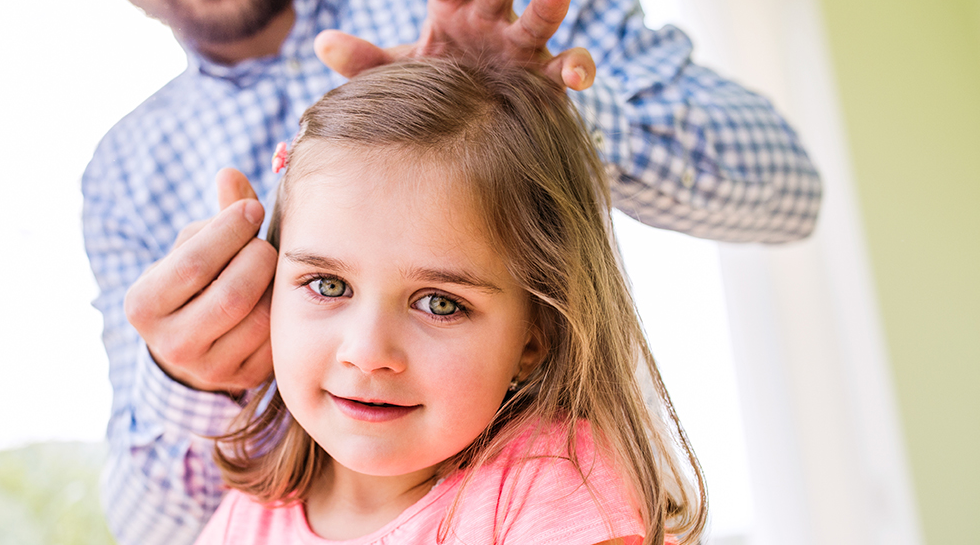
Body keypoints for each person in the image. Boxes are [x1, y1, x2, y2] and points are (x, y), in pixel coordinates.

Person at [26, 0, 822, 542]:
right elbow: (152, 533)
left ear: (534, 330)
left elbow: (788, 187)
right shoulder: (123, 176)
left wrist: (538, 124)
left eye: (439, 300)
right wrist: (187, 387)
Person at [197, 57, 704, 545]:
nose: (367, 351)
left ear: (534, 337)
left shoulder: (556, 484)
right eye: (328, 285)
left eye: (439, 303)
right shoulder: (247, 518)